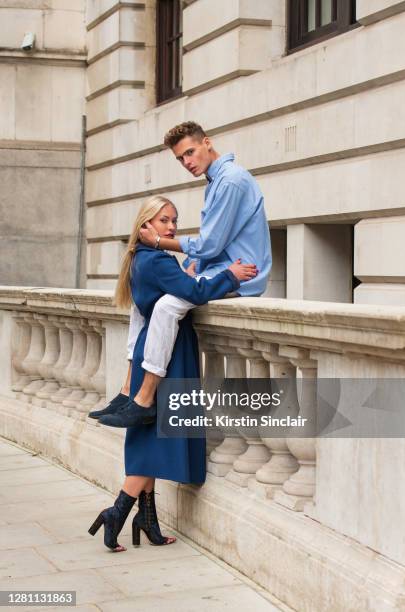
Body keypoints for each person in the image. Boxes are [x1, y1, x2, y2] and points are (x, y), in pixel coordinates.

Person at [88, 195, 257, 551]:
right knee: (155, 437)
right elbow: (194, 292)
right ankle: (116, 512)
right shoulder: (158, 260)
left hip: (149, 353)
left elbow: (175, 288)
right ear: (145, 225)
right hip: (167, 357)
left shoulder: (141, 260)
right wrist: (231, 274)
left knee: (150, 435)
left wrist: (182, 275)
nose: (171, 227)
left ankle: (147, 519)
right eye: (163, 220)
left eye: (174, 221)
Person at [89, 121, 272, 427]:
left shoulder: (229, 182)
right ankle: (125, 391)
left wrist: (159, 241)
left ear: (207, 143)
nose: (187, 162)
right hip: (218, 269)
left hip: (241, 275)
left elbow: (210, 242)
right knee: (141, 307)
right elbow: (217, 243)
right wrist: (195, 267)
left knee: (164, 306)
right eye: (180, 158)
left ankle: (144, 399)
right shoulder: (216, 182)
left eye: (190, 152)